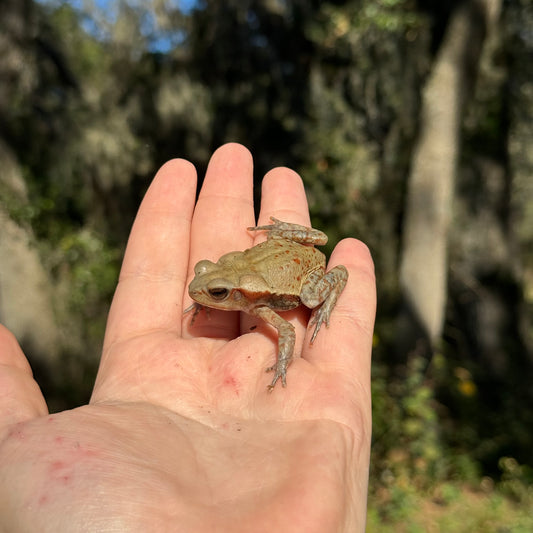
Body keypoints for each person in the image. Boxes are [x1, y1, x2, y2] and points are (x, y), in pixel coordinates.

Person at [0, 143, 376, 532]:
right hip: (271, 259)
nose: (199, 291)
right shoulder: (231, 279)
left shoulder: (260, 305)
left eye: (216, 294)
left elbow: (285, 330)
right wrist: (214, 293)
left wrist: (283, 364)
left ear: (238, 296)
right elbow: (217, 281)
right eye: (205, 278)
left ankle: (324, 300)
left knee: (313, 298)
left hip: (291, 279)